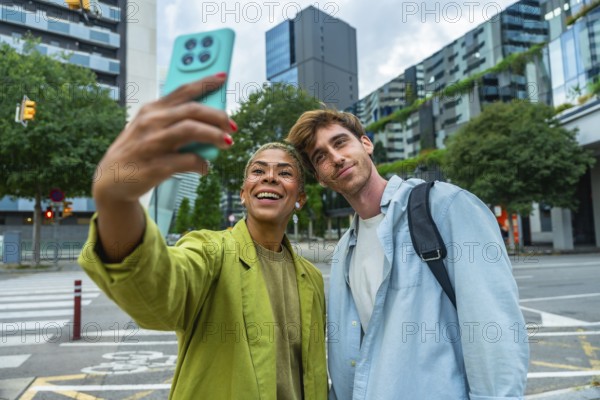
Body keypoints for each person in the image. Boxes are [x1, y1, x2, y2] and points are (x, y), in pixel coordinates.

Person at [77, 75, 328, 400]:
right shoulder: (209, 251)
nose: (269, 176)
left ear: (300, 199)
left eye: (285, 173)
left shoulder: (313, 279)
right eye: (257, 170)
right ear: (243, 194)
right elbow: (157, 294)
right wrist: (116, 203)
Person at [286, 109, 529, 400]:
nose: (335, 158)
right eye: (320, 157)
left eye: (340, 143)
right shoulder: (342, 254)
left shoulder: (444, 207)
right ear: (321, 178)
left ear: (366, 144)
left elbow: (494, 329)